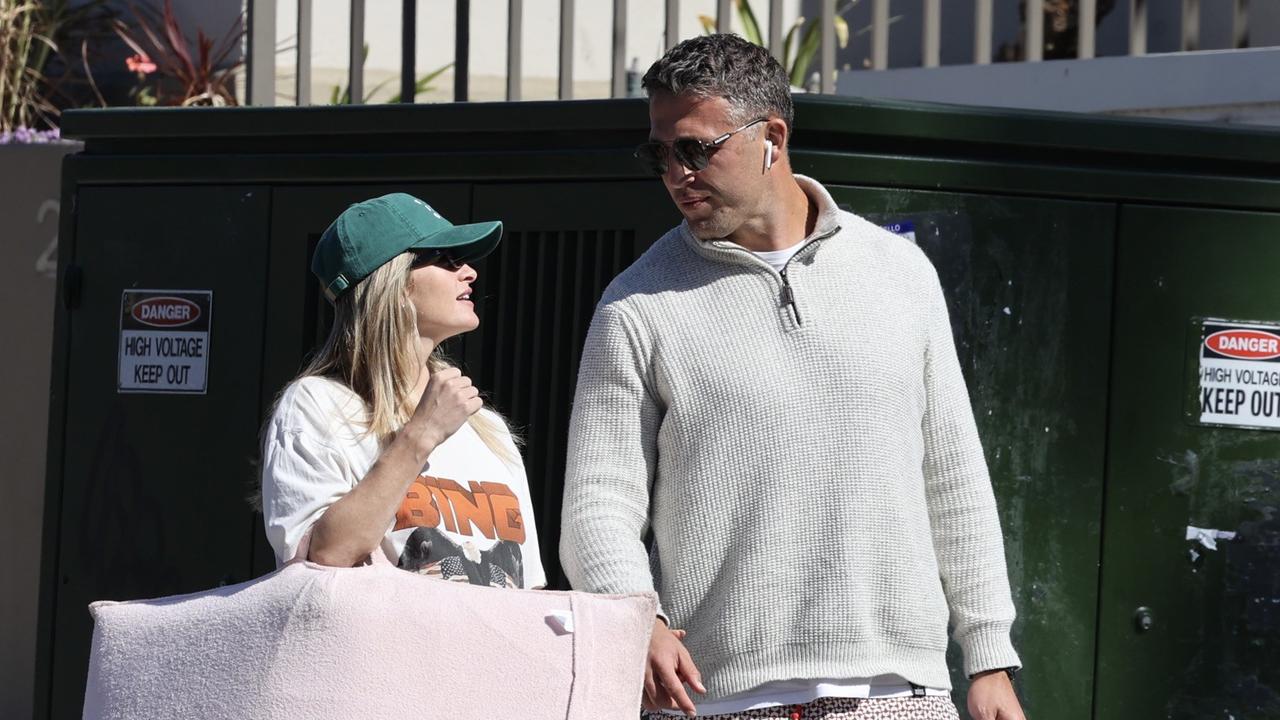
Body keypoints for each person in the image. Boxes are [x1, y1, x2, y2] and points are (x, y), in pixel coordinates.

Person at [559, 34, 1025, 720]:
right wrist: (638, 622)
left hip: (900, 695)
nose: (675, 173)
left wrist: (989, 658)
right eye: (658, 153)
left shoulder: (899, 275)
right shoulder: (637, 304)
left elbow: (953, 477)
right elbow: (598, 504)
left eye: (695, 148)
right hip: (717, 702)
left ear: (772, 137)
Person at [262, 193, 544, 591]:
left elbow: (527, 589)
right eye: (446, 258)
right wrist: (420, 436)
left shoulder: (487, 428)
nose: (469, 272)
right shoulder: (317, 406)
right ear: (392, 283)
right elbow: (326, 560)